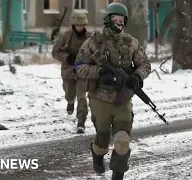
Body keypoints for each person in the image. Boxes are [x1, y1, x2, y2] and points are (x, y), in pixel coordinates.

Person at [74, 3, 151, 180]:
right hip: (100, 98)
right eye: (115, 19)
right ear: (107, 20)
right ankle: (97, 153)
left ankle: (118, 174)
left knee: (122, 141)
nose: (119, 23)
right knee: (102, 141)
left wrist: (137, 77)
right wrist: (99, 72)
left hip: (123, 99)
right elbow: (79, 67)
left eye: (122, 20)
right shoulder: (93, 43)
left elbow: (145, 64)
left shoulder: (131, 43)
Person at [51, 12, 93, 133]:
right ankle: (70, 101)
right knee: (70, 93)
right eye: (78, 25)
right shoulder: (65, 36)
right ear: (73, 25)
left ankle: (81, 122)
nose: (80, 27)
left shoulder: (90, 37)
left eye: (82, 25)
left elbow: (96, 51)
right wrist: (67, 57)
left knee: (82, 97)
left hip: (83, 71)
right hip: (69, 70)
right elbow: (55, 52)